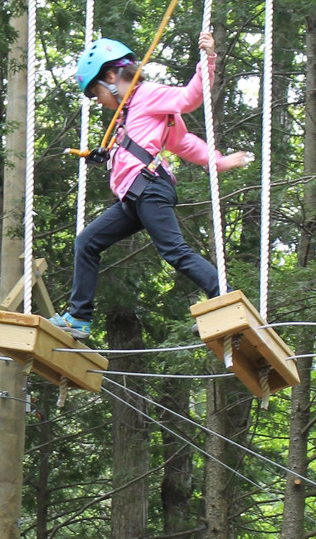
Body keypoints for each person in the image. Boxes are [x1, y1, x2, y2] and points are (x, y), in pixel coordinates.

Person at [51, 32, 250, 339]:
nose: (99, 102)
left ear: (111, 77)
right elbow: (174, 142)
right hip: (133, 196)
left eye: (96, 93)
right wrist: (107, 157)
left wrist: (207, 61)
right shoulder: (127, 116)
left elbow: (189, 101)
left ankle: (224, 297)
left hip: (150, 187)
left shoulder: (147, 94)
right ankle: (78, 318)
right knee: (86, 243)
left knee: (174, 250)